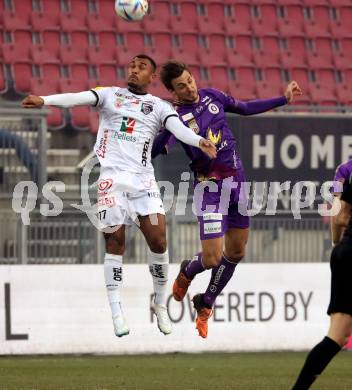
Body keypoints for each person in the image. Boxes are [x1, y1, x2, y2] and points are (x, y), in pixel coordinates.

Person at [21, 54, 216, 338]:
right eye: (132, 66)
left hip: (143, 181)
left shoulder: (160, 107)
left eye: (142, 68)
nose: (134, 70)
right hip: (112, 179)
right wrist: (45, 100)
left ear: (152, 78)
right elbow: (76, 97)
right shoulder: (109, 95)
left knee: (159, 240)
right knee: (115, 242)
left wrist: (199, 140)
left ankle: (160, 305)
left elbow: (177, 129)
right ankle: (116, 311)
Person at [152, 60, 302, 338]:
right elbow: (161, 145)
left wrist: (283, 98)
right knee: (211, 258)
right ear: (173, 93)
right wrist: (151, 140)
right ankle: (188, 269)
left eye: (190, 80)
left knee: (236, 253)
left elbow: (244, 108)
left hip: (237, 185)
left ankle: (205, 302)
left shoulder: (212, 96)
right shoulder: (175, 118)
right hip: (209, 189)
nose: (189, 87)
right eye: (181, 86)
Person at [292, 160, 352, 389]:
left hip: (346, 253)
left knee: (337, 337)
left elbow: (339, 217)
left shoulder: (347, 171)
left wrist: (338, 243)